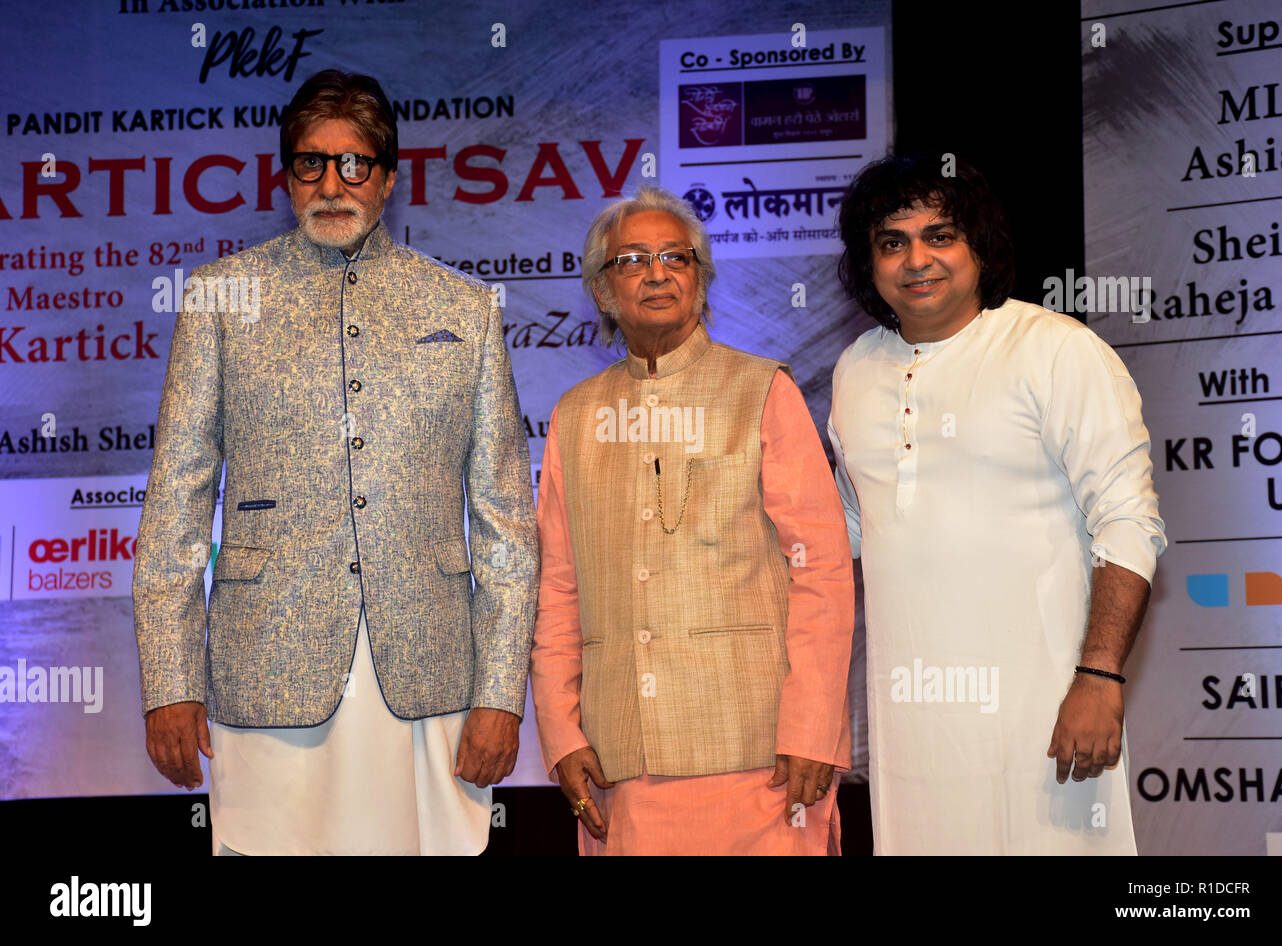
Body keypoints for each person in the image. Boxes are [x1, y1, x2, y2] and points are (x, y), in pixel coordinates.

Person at [132, 70, 538, 855]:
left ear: (388, 179)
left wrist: (501, 695)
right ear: (287, 177)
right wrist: (170, 683)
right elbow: (177, 504)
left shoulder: (463, 310)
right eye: (309, 164)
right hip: (268, 664)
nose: (331, 183)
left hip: (427, 675)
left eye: (354, 163)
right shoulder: (222, 299)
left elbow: (503, 525)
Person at [829, 153, 1166, 854]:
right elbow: (852, 527)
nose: (917, 259)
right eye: (892, 242)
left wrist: (1099, 677)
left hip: (1047, 715)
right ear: (870, 265)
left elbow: (1129, 521)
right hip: (911, 729)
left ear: (978, 246)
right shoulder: (857, 369)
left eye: (940, 235)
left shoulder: (1056, 351)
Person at [530, 185, 854, 855]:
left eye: (675, 257)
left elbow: (821, 571)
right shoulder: (576, 415)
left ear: (700, 281)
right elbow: (558, 588)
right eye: (632, 259)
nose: (656, 273)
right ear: (601, 289)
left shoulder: (762, 390)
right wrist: (561, 733)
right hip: (623, 764)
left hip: (760, 758)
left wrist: (812, 728)